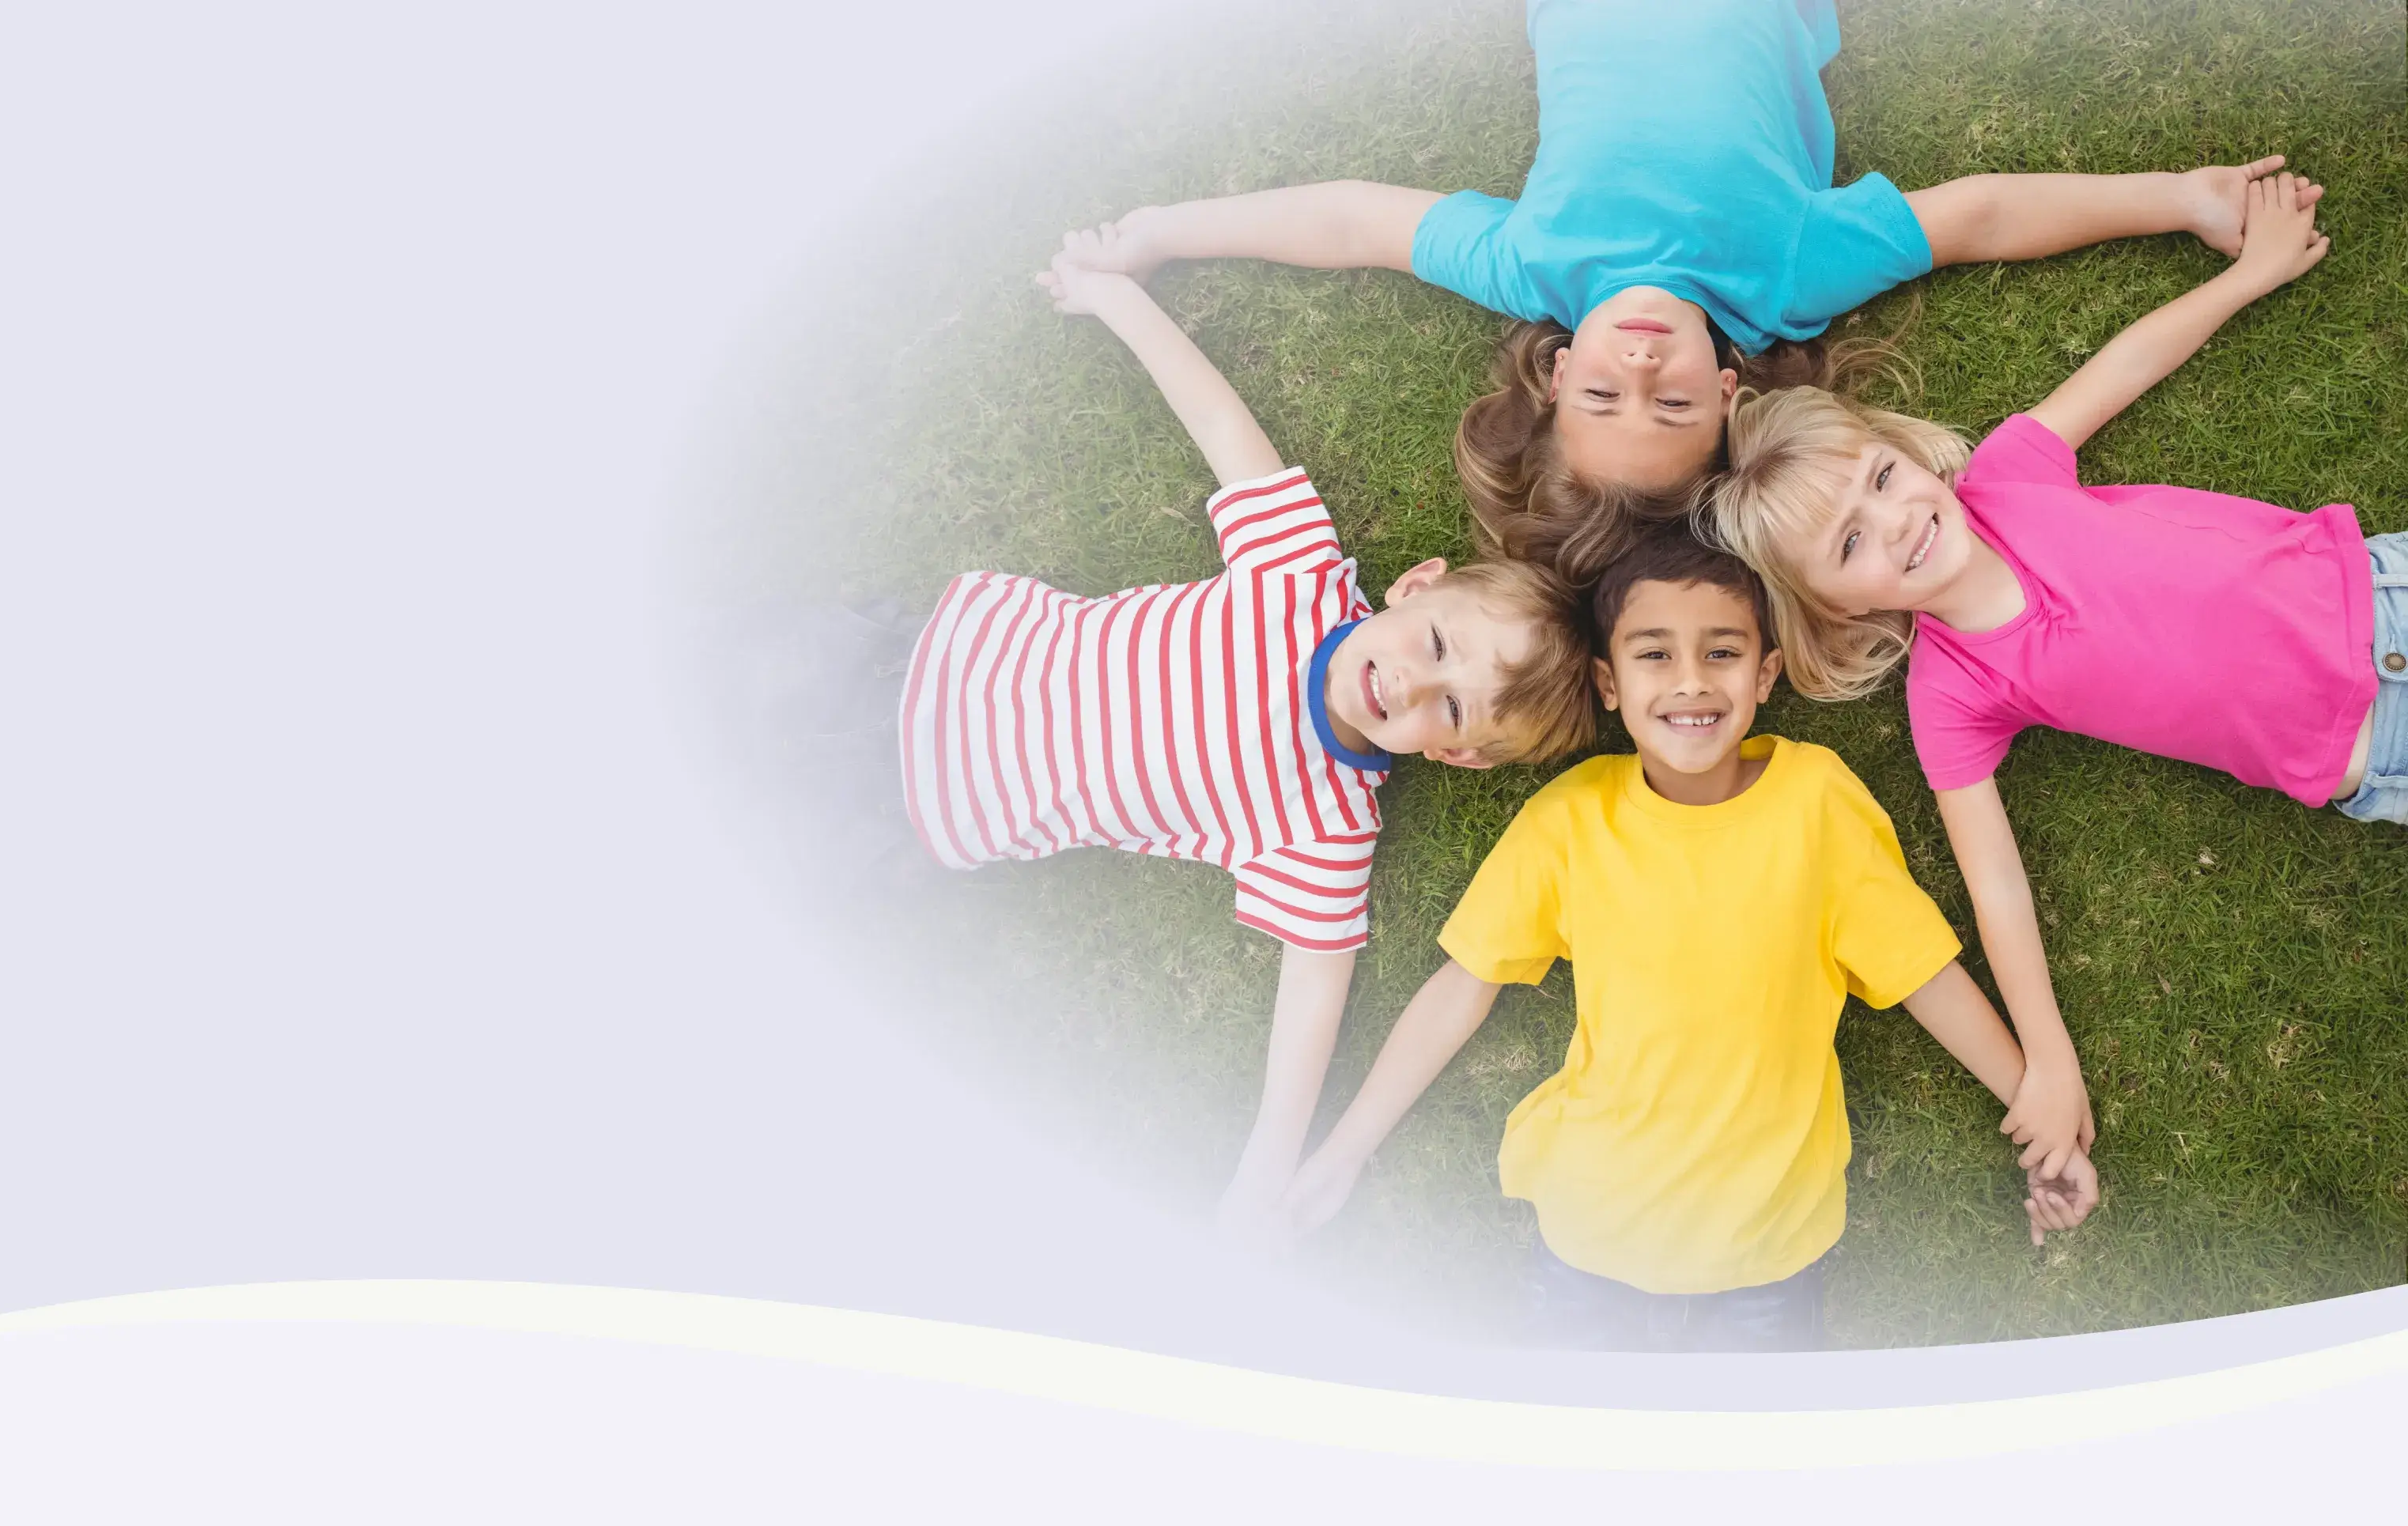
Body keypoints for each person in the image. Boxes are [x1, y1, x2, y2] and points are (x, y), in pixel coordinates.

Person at [1058, 0, 2309, 573]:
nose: (1646, 372)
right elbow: (1980, 214)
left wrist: (1166, 231)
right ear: (1730, 387)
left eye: (1609, 394)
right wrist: (2180, 196)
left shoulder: (1532, 261)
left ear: (1556, 370)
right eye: (1676, 408)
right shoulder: (1788, 280)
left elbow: (1343, 220)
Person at [904, 236, 1596, 1233]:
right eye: (1437, 641)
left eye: (1450, 708)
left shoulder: (1325, 827)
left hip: (934, 803)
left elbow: (1310, 1001)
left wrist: (1261, 1179)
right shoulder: (1300, 576)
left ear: (1457, 755)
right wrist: (1116, 299)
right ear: (1418, 585)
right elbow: (1220, 420)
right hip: (940, 651)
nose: (1410, 682)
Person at [1277, 529, 2095, 1350]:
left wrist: (2041, 1112)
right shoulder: (1571, 817)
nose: (1692, 682)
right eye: (1655, 656)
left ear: (1766, 675)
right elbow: (1461, 987)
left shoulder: (1817, 801)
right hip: (1588, 1236)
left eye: (1724, 652)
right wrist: (1346, 1151)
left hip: (1768, 1253)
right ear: (1609, 683)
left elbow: (1923, 974)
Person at [1701, 169, 2354, 1182]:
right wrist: (2045, 1057)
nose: (1900, 520)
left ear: (1904, 453)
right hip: (2361, 746)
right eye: (1851, 543)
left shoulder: (2009, 470)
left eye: (1882, 479)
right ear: (1837, 607)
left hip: (2372, 583)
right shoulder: (1953, 696)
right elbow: (1994, 883)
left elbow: (2125, 363)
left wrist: (2249, 276)